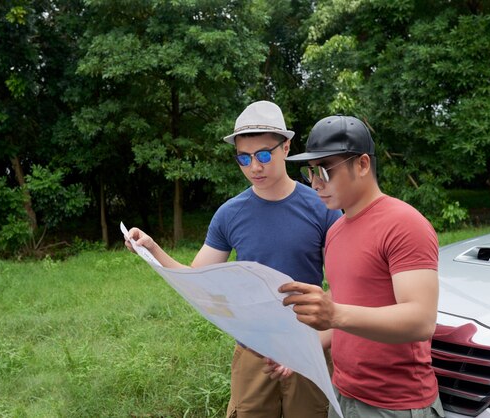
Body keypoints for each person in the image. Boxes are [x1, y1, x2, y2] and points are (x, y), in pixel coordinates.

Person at [124, 101, 342, 418]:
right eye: (244, 157)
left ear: (286, 147)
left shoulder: (322, 207)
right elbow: (196, 277)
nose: (255, 166)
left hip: (308, 345)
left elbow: (343, 286)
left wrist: (311, 343)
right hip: (254, 349)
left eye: (264, 155)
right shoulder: (230, 214)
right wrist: (153, 249)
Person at [265, 115, 445, 418]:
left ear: (362, 165)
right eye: (310, 172)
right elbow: (342, 312)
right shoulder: (336, 229)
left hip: (396, 404)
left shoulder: (404, 224)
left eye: (324, 170)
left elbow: (421, 320)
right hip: (344, 395)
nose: (316, 183)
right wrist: (298, 352)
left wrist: (333, 313)